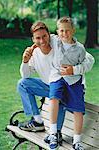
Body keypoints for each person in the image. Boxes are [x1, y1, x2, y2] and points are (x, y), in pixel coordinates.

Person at [17, 21, 94, 149]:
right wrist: (25, 62)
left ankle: (57, 132)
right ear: (33, 39)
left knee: (58, 96)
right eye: (37, 38)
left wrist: (74, 70)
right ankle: (37, 120)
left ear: (50, 35)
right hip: (49, 85)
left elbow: (90, 59)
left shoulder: (59, 42)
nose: (42, 41)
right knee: (22, 84)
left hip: (67, 85)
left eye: (44, 36)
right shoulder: (34, 53)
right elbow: (25, 75)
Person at [45, 16, 94, 150]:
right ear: (57, 31)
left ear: (73, 31)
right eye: (61, 31)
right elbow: (41, 38)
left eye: (67, 30)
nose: (64, 34)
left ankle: (77, 140)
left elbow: (86, 61)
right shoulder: (55, 41)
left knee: (78, 109)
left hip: (74, 80)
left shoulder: (80, 49)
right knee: (54, 98)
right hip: (57, 76)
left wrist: (74, 70)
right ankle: (53, 133)